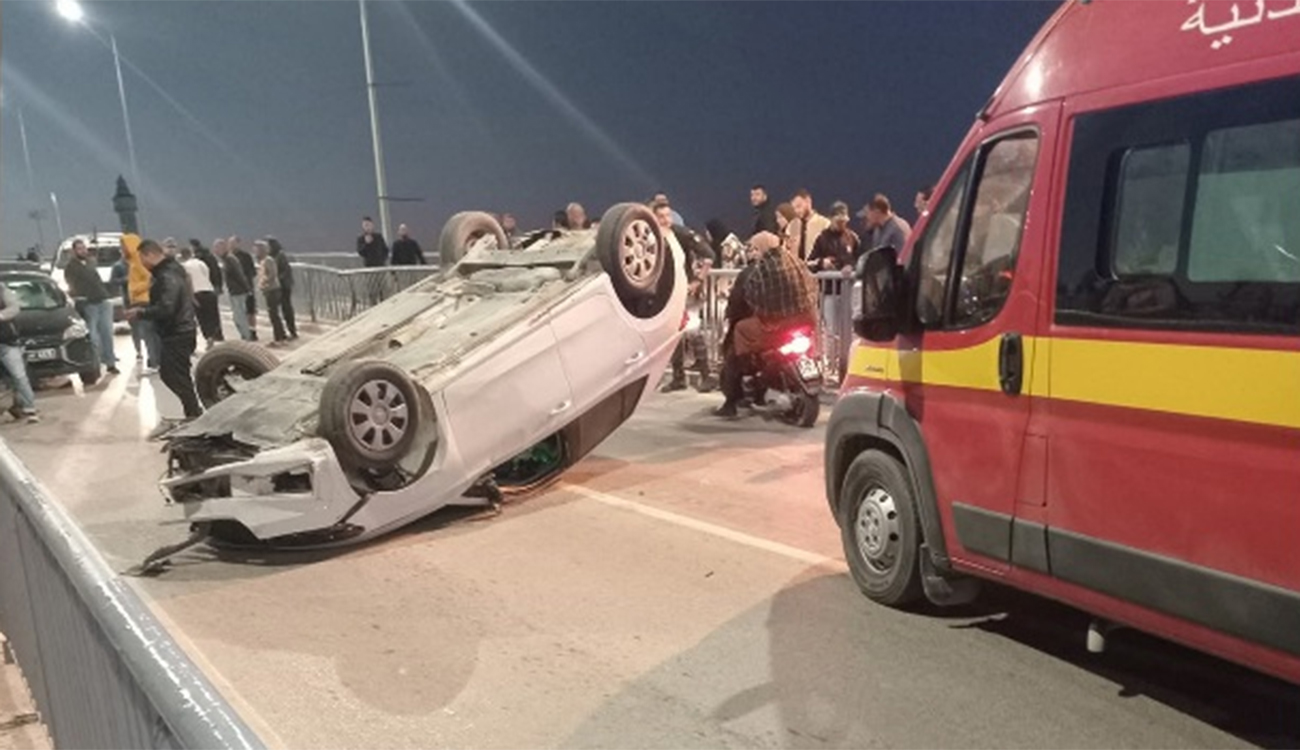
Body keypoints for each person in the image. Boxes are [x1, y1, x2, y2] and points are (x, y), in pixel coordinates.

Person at [715, 231, 818, 418]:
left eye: (755, 248)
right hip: (806, 321)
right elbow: (812, 287)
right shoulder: (796, 263)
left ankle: (730, 402)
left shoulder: (760, 270)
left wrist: (733, 315)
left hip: (777, 327)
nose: (753, 253)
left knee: (738, 335)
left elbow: (746, 299)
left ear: (762, 248)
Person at [126, 240, 202, 423]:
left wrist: (141, 312)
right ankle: (192, 412)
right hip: (180, 330)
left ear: (149, 255)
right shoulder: (171, 271)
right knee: (176, 375)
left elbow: (167, 307)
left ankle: (194, 414)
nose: (142, 264)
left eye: (142, 259)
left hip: (177, 331)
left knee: (175, 375)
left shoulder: (166, 275)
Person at [655, 202, 715, 393]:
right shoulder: (650, 236)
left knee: (693, 332)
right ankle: (678, 378)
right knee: (673, 336)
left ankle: (706, 376)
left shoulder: (680, 233)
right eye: (661, 216)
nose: (666, 220)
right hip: (666, 294)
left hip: (686, 292)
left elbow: (708, 254)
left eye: (668, 215)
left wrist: (697, 280)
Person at [807, 201, 861, 378]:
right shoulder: (822, 238)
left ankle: (846, 365)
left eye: (844, 220)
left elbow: (860, 261)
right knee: (831, 330)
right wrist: (823, 263)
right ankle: (831, 367)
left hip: (847, 292)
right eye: (839, 220)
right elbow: (810, 264)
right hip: (829, 293)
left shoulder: (852, 237)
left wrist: (851, 268)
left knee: (849, 331)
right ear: (831, 219)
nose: (842, 224)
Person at [63, 238, 119, 375]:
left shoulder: (91, 262)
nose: (83, 251)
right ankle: (96, 363)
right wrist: (81, 297)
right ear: (73, 251)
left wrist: (106, 294)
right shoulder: (71, 267)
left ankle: (110, 362)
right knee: (93, 337)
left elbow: (97, 280)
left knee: (107, 333)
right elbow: (72, 285)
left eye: (84, 248)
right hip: (88, 304)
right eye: (79, 248)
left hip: (103, 300)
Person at [122, 233, 162, 373]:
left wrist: (135, 290)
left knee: (148, 333)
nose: (122, 249)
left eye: (124, 246)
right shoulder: (133, 262)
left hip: (143, 301)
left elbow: (150, 279)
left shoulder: (138, 263)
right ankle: (156, 361)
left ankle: (154, 363)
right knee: (149, 333)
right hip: (140, 301)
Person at [0, 284, 40, 423]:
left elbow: (14, 308)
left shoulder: (1, 289)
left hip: (6, 341)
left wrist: (1, 315)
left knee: (19, 376)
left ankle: (30, 408)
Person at [181, 244, 222, 349]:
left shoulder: (183, 266)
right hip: (209, 291)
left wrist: (191, 297)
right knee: (212, 317)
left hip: (197, 293)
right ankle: (213, 336)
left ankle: (207, 338)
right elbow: (207, 276)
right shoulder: (201, 263)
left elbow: (187, 282)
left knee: (202, 318)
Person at [215, 239, 253, 341]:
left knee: (239, 316)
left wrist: (247, 288)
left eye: (217, 248)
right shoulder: (227, 259)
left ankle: (247, 338)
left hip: (238, 292)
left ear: (223, 248)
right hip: (234, 291)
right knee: (237, 317)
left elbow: (239, 274)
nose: (216, 251)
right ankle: (245, 336)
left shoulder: (230, 259)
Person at [255, 240, 288, 345]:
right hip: (269, 290)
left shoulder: (268, 260)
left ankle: (279, 338)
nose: (255, 251)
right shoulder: (263, 260)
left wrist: (264, 282)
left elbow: (273, 274)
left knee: (274, 314)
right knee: (273, 314)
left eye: (257, 249)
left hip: (273, 289)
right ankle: (281, 336)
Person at [109, 257, 142, 362]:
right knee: (135, 327)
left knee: (147, 327)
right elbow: (113, 281)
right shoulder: (118, 266)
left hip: (143, 298)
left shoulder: (139, 261)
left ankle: (152, 354)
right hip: (129, 300)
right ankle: (139, 351)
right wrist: (126, 279)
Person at [787, 189, 831, 263]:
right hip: (797, 270)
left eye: (799, 206)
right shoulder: (792, 226)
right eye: (794, 208)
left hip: (817, 270)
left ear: (808, 201)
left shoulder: (824, 224)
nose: (797, 211)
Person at [268, 236, 298, 340]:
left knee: (286, 309)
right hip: (279, 286)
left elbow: (285, 271)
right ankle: (283, 332)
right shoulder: (271, 256)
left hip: (284, 286)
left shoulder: (280, 256)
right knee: (278, 309)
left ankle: (292, 331)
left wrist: (275, 279)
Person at [230, 236, 258, 340]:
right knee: (240, 312)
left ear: (238, 243)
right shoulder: (229, 257)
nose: (231, 245)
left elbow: (253, 272)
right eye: (230, 243)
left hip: (247, 288)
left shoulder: (245, 256)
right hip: (236, 290)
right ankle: (244, 332)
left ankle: (252, 331)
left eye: (233, 243)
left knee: (250, 311)